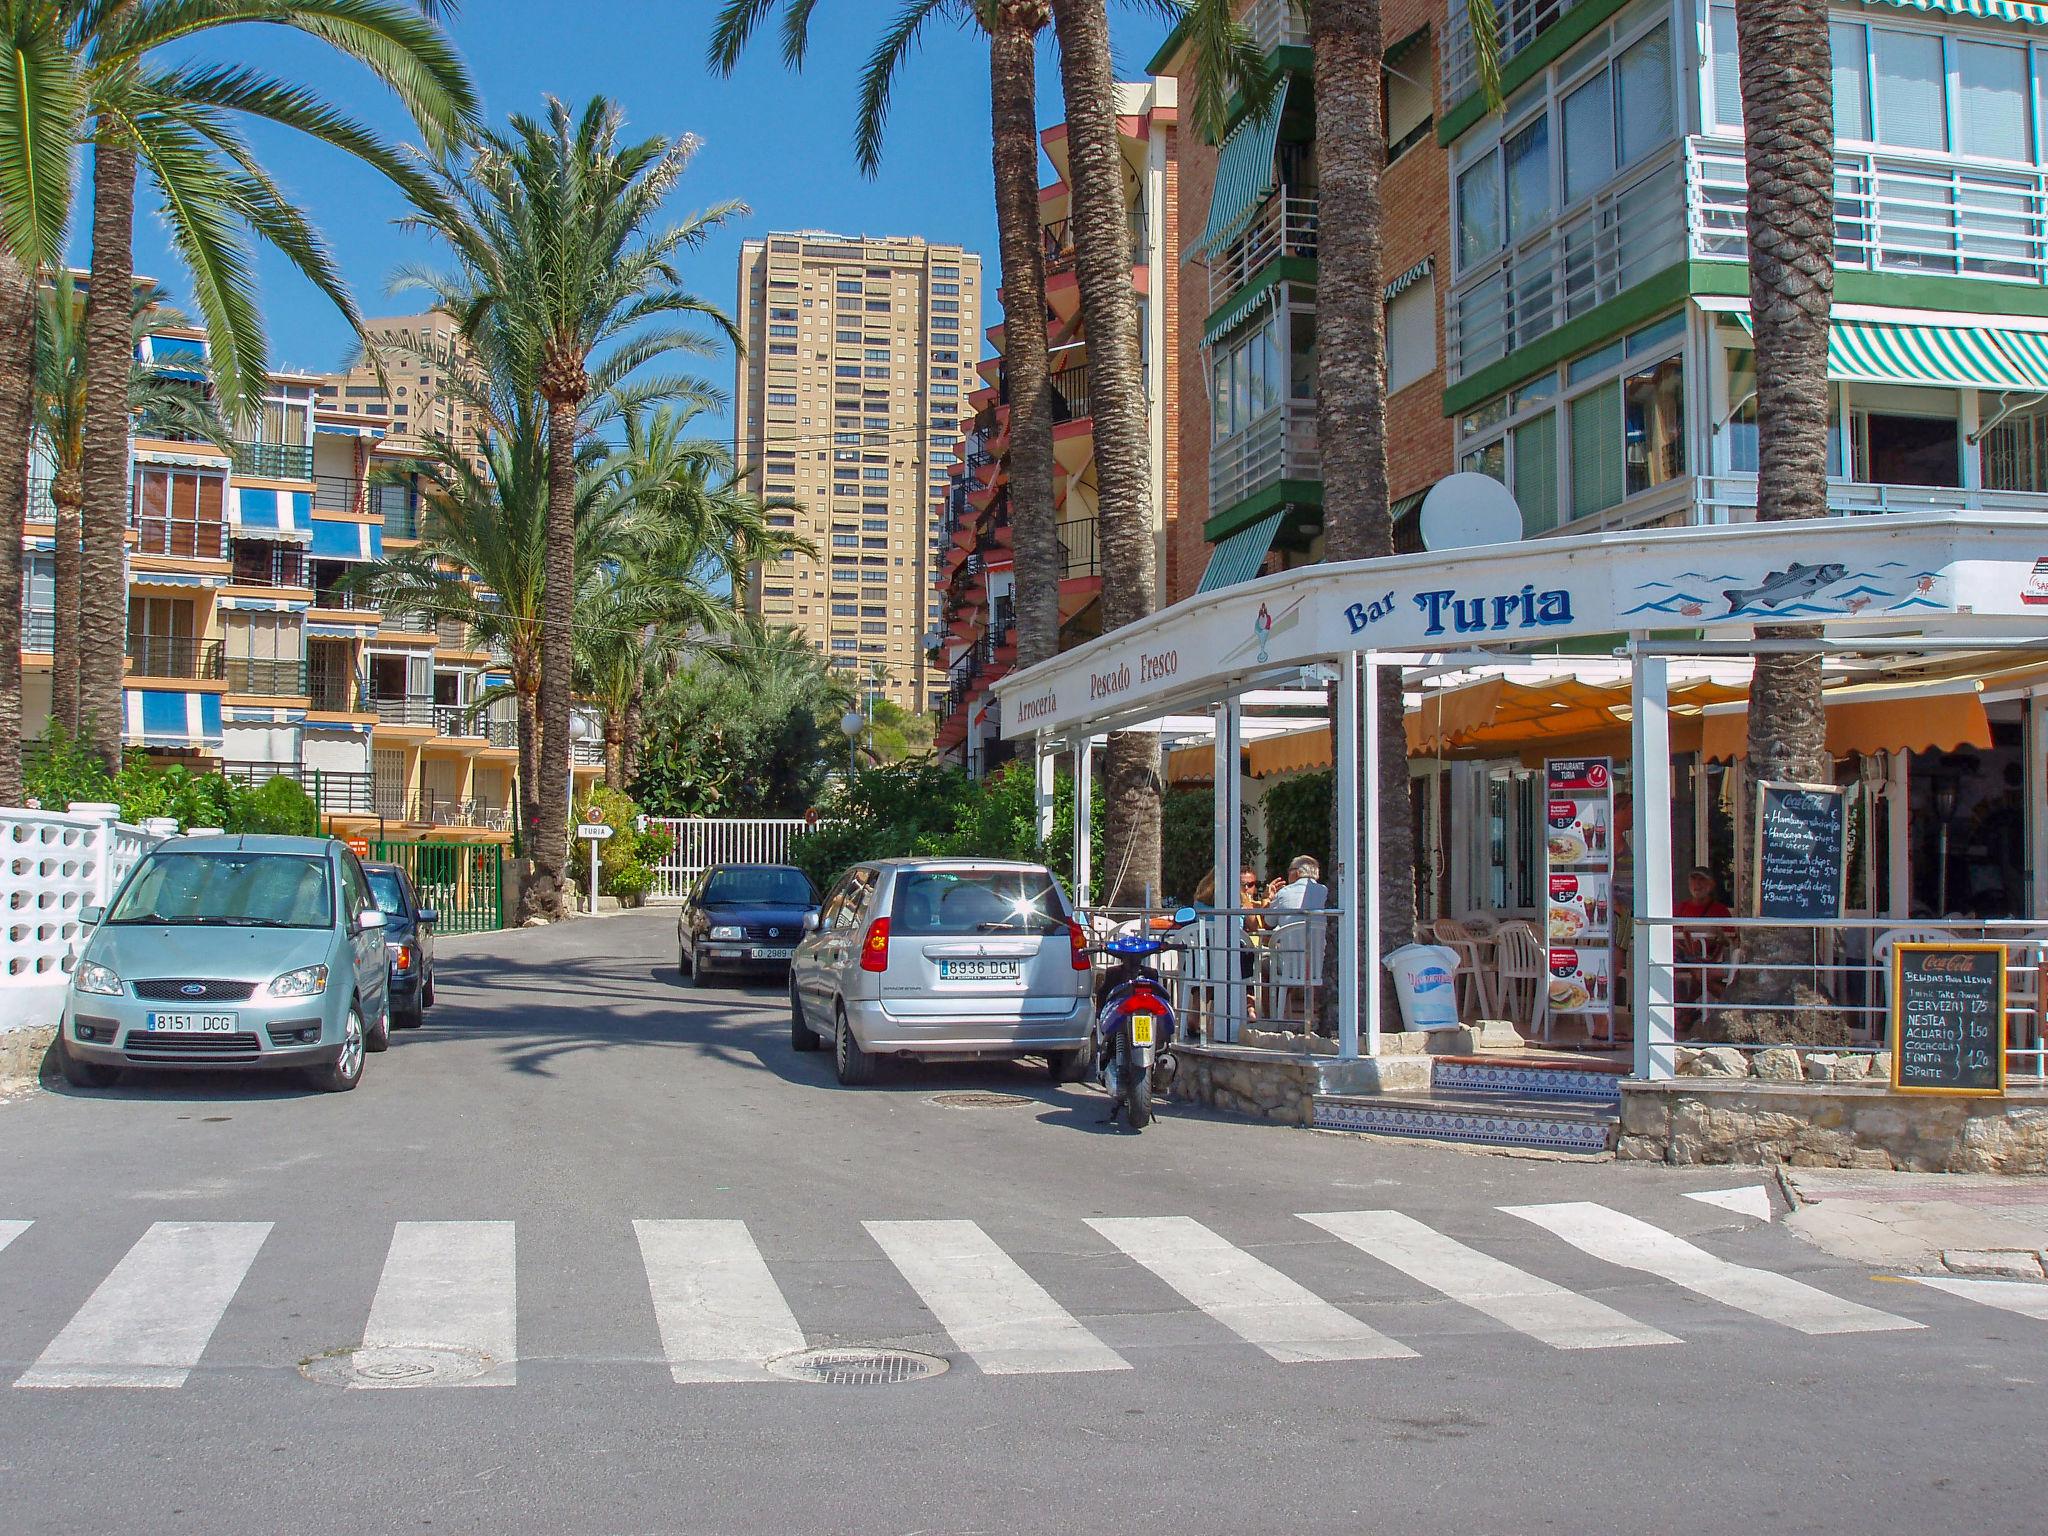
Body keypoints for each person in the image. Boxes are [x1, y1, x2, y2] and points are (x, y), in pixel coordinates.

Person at [1264, 857, 1327, 1026]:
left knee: (1264, 965)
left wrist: (1270, 899)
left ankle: (1275, 1017)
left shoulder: (1283, 893)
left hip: (1289, 965)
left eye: (1289, 871)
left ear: (1297, 872)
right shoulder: (1326, 892)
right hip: (1321, 963)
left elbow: (1268, 923)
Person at [1673, 866, 1733, 1029]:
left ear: (1711, 885)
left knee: (1700, 973)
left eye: (1702, 880)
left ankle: (1686, 1011)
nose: (1697, 884)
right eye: (1693, 880)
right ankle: (1729, 1002)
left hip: (1710, 960)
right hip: (1683, 958)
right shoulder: (1680, 909)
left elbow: (1731, 939)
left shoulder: (1720, 911)